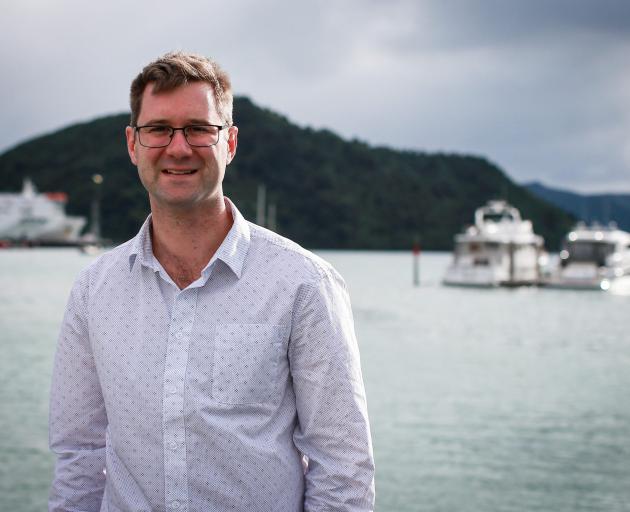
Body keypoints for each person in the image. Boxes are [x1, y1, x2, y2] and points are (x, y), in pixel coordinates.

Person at [49, 51, 375, 512]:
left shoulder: (302, 284)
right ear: (132, 144)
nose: (178, 148)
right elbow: (79, 455)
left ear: (230, 143)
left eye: (199, 129)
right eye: (158, 129)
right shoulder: (94, 291)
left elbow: (343, 466)